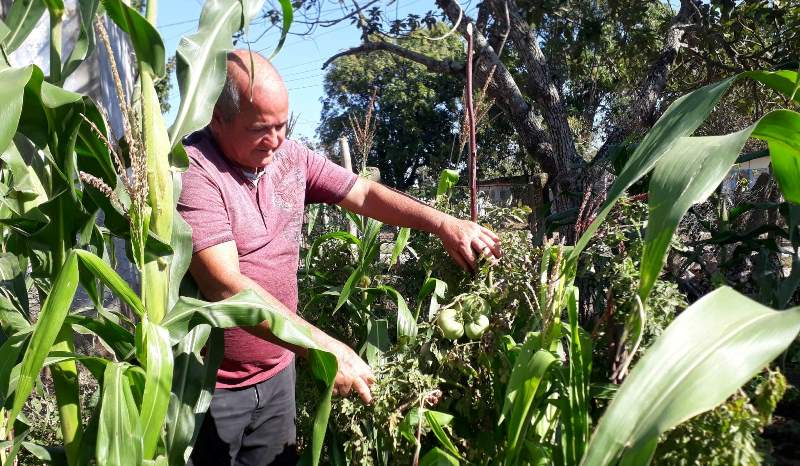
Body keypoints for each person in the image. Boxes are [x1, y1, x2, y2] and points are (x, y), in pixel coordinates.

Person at [178, 50, 502, 466]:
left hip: (278, 373)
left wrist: (442, 223)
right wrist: (326, 347)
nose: (275, 140)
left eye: (282, 126)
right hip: (209, 386)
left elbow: (363, 193)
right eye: (261, 129)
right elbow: (225, 285)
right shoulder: (195, 172)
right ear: (217, 118)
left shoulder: (289, 157)